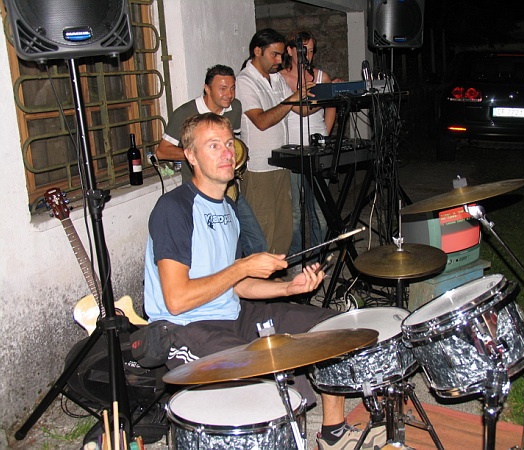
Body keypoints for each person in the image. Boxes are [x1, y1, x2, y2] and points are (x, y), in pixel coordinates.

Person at [144, 113, 383, 449]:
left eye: (229, 143)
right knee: (270, 374)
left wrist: (288, 287)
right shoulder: (174, 208)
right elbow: (177, 300)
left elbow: (237, 286)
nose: (227, 153)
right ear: (191, 156)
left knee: (331, 328)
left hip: (234, 313)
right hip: (185, 327)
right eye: (213, 146)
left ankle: (333, 432)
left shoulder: (228, 210)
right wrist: (243, 266)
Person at [156, 64, 266, 256]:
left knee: (256, 243)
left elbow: (234, 143)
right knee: (214, 250)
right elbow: (162, 152)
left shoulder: (235, 107)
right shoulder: (185, 113)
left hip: (229, 189)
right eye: (223, 88)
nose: (229, 94)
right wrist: (203, 154)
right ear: (207, 88)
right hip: (199, 193)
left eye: (232, 88)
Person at [236, 28, 320, 255]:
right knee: (263, 229)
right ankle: (262, 274)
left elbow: (299, 110)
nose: (279, 61)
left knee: (284, 227)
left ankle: (278, 271)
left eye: (281, 55)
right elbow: (262, 121)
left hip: (281, 163)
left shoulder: (276, 78)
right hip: (259, 168)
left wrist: (330, 98)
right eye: (274, 54)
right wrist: (292, 98)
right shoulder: (245, 81)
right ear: (257, 51)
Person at [280, 30, 336, 263]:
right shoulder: (279, 78)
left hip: (317, 149)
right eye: (303, 50)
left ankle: (318, 257)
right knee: (294, 212)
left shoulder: (322, 76)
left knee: (320, 211)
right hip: (291, 149)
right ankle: (295, 259)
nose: (308, 55)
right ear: (290, 50)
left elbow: (331, 108)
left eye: (311, 51)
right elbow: (298, 109)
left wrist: (324, 136)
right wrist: (316, 95)